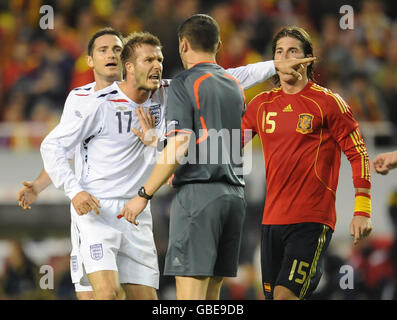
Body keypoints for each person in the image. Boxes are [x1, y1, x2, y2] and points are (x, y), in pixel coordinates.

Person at [117, 15, 315, 300]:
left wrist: (144, 194)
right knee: (213, 299)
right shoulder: (232, 85)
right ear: (219, 44)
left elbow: (182, 145)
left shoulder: (184, 84)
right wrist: (157, 141)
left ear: (183, 45)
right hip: (233, 199)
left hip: (198, 198)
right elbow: (209, 140)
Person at [241, 26, 373, 300]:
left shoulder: (328, 103)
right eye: (279, 52)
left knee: (284, 297)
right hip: (271, 221)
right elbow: (225, 147)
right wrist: (176, 149)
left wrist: (362, 208)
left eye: (292, 51)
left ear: (308, 60)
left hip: (311, 221)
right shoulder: (261, 105)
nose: (285, 57)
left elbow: (358, 153)